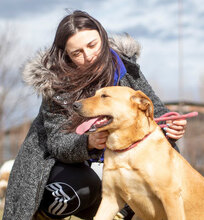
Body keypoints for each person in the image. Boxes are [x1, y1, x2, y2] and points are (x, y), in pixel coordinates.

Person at [3, 10, 187, 220]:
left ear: (102, 36)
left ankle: (122, 211)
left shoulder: (125, 67)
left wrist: (170, 125)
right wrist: (88, 142)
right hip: (70, 167)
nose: (88, 56)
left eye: (92, 45)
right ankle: (43, 213)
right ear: (66, 55)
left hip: (123, 160)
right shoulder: (55, 83)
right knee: (70, 191)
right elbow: (58, 143)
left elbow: (154, 109)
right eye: (77, 53)